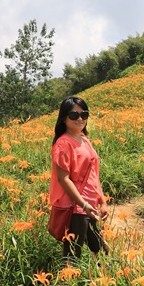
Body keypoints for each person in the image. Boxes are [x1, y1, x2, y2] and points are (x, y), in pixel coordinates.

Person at [49, 96, 110, 261]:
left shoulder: (84, 140)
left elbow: (94, 175)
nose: (80, 119)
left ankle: (100, 282)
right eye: (74, 115)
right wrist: (83, 203)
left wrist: (101, 201)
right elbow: (63, 179)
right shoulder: (63, 144)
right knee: (72, 255)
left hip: (89, 205)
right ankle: (68, 285)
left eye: (84, 114)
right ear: (64, 118)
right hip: (75, 206)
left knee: (101, 250)